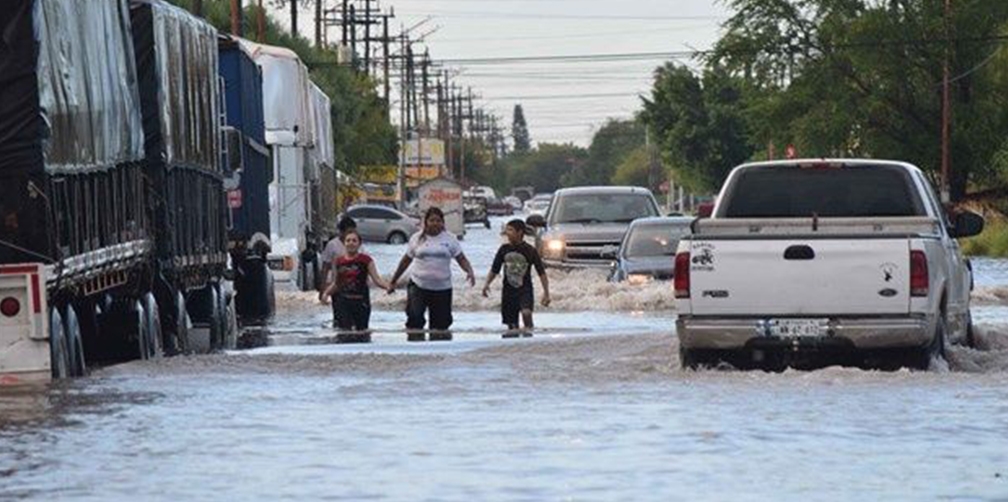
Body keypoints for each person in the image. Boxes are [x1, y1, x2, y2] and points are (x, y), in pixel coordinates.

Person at [387, 207, 476, 332]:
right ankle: (415, 348)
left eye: (439, 220)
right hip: (418, 286)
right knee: (415, 320)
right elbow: (406, 260)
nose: (435, 223)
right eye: (432, 220)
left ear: (443, 222)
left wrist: (469, 271)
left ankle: (438, 350)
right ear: (426, 222)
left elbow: (461, 258)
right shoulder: (416, 238)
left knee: (441, 325)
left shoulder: (450, 238)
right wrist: (393, 281)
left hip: (442, 288)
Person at [482, 219, 551, 331]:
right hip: (508, 292)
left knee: (526, 313)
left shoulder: (530, 250)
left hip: (525, 289)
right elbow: (495, 270)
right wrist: (486, 284)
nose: (507, 232)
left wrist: (546, 293)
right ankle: (514, 345)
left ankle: (529, 334)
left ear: (519, 232)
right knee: (512, 326)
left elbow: (541, 273)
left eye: (510, 230)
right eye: (507, 229)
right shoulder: (503, 249)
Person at [318, 230, 388, 331]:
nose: (351, 243)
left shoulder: (366, 260)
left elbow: (376, 279)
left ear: (359, 244)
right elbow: (337, 283)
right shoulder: (339, 261)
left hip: (361, 302)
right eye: (348, 240)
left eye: (354, 241)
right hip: (344, 302)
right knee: (345, 332)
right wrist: (326, 293)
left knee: (362, 332)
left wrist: (388, 286)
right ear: (344, 243)